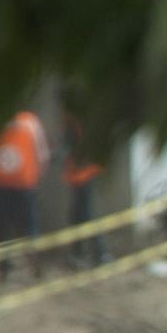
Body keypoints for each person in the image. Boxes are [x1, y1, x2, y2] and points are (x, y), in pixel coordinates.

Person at [0, 105, 49, 253]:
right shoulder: (31, 121)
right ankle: (34, 261)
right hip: (24, 183)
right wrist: (37, 178)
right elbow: (43, 155)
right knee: (29, 225)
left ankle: (3, 268)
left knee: (1, 227)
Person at [62, 114, 105, 267]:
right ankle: (80, 253)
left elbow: (74, 147)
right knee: (78, 215)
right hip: (81, 174)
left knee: (85, 214)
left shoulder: (76, 121)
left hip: (83, 174)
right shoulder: (76, 120)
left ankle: (99, 253)